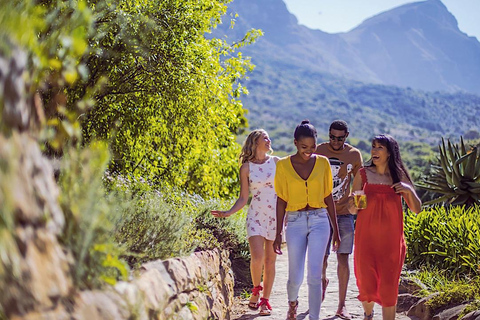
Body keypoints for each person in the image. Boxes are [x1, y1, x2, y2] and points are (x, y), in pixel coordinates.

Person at [349, 134, 422, 320]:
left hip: (391, 243)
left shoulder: (399, 176)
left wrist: (409, 190)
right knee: (366, 283)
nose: (374, 151)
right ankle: (368, 314)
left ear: (389, 152)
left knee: (389, 287)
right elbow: (353, 210)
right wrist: (356, 202)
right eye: (373, 147)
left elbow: (417, 209)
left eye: (379, 147)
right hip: (366, 240)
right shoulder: (363, 174)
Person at [273, 120, 341, 320]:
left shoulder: (323, 163)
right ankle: (292, 304)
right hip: (295, 221)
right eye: (304, 147)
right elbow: (281, 201)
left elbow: (328, 197)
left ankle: (314, 317)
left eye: (312, 147)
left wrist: (336, 230)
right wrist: (278, 233)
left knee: (314, 276)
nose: (309, 151)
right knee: (295, 277)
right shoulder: (284, 165)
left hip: (320, 220)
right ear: (295, 143)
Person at [211, 129, 279, 316]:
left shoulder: (277, 163)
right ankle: (256, 289)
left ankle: (265, 301)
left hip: (275, 216)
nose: (269, 140)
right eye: (264, 138)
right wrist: (228, 212)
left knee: (270, 260)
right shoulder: (246, 168)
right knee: (257, 258)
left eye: (268, 137)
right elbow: (243, 198)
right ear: (255, 143)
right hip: (256, 215)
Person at [315, 120, 363, 320]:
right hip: (321, 212)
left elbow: (358, 186)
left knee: (343, 257)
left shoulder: (354, 155)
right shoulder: (319, 150)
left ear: (346, 136)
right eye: (332, 137)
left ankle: (342, 305)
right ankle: (322, 283)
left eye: (340, 138)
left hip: (344, 213)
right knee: (321, 257)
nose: (335, 141)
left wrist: (359, 210)